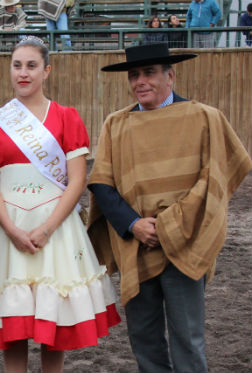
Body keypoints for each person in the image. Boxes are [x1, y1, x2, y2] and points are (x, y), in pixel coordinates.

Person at [89, 43, 252, 373]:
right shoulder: (115, 124)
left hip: (186, 243)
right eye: (134, 75)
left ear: (170, 76)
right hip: (136, 245)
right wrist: (134, 224)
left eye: (149, 73)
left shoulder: (205, 118)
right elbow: (102, 185)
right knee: (143, 337)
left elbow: (215, 180)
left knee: (188, 338)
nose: (140, 81)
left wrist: (170, 226)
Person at [0, 36, 121, 373]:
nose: (24, 73)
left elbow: (77, 180)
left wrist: (47, 229)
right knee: (14, 324)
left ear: (46, 70)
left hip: (56, 226)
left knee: (56, 319)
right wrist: (11, 229)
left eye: (32, 65)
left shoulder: (67, 116)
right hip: (11, 226)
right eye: (17, 65)